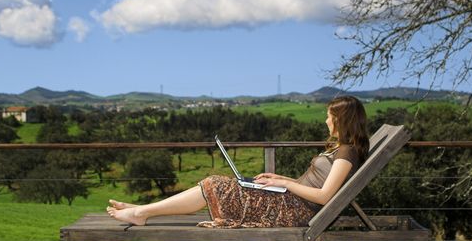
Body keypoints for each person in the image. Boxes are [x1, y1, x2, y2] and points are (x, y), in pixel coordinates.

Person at [107, 96, 369, 228]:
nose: (326, 121)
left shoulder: (347, 154)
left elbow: (324, 196)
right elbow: (312, 186)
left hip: (294, 211)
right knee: (219, 183)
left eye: (329, 117)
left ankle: (143, 212)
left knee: (216, 184)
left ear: (342, 120)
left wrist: (285, 186)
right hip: (290, 201)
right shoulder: (343, 150)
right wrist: (280, 180)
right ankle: (144, 209)